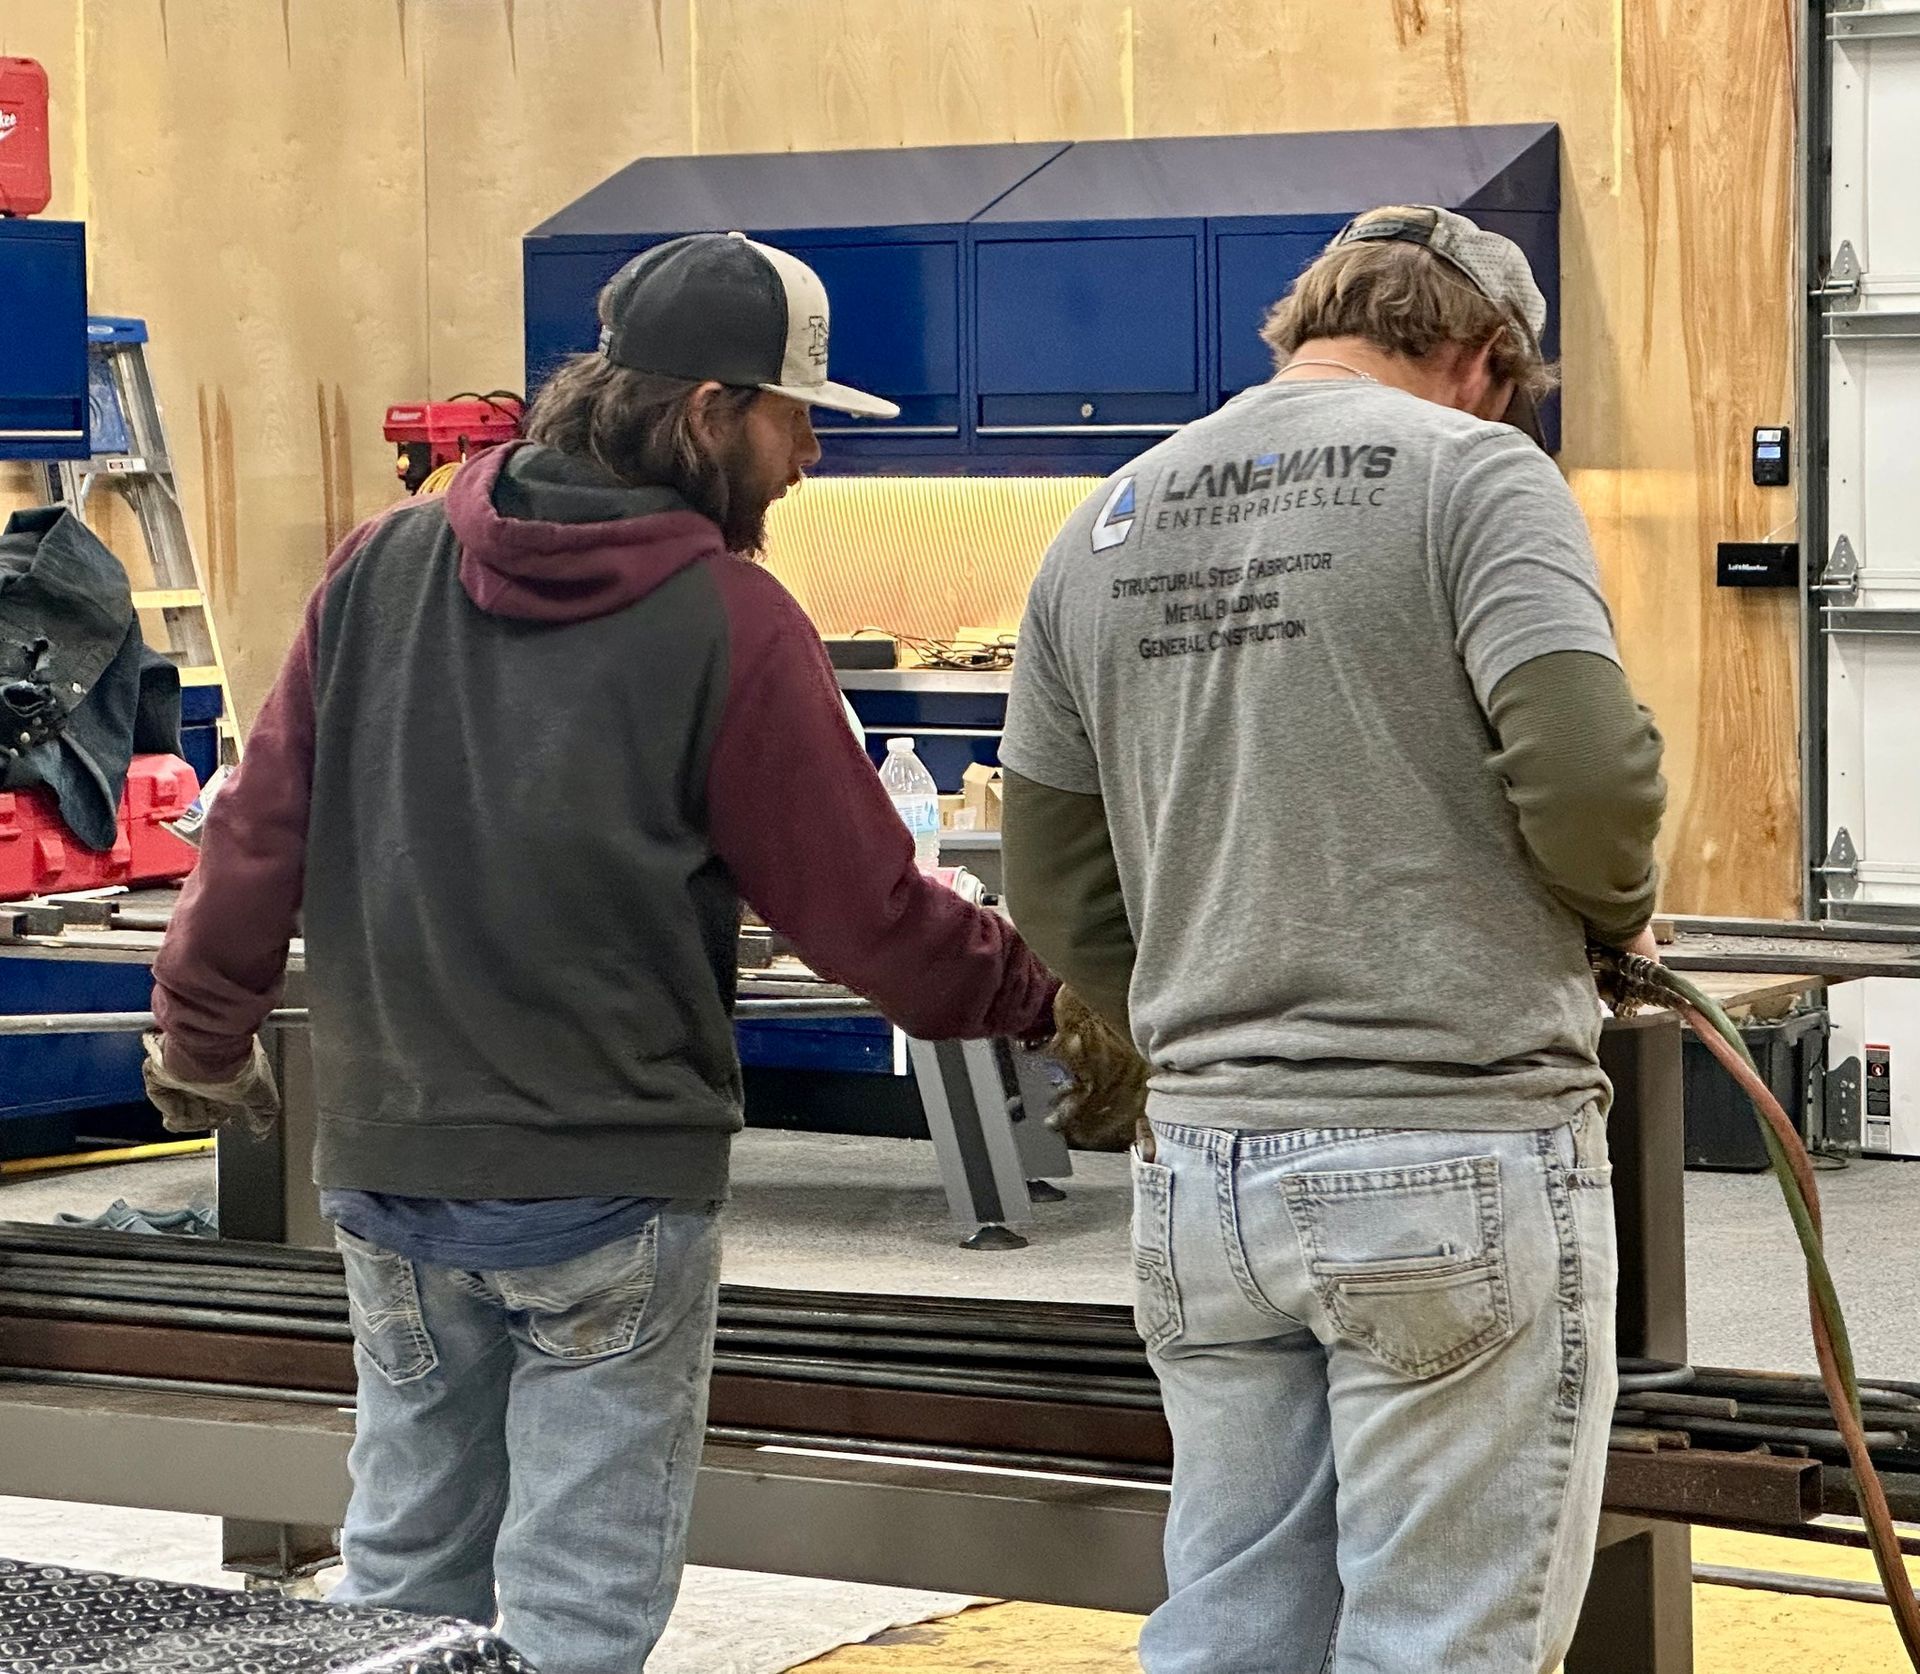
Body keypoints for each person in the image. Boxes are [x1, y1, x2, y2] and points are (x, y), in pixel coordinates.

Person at [144, 231, 1058, 1674]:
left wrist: (200, 1035)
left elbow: (258, 822)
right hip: (608, 1188)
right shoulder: (731, 620)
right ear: (705, 412)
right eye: (793, 413)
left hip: (390, 1167)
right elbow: (867, 913)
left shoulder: (381, 564)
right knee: (578, 1598)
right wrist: (1040, 1001)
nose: (811, 452)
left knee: (399, 1577)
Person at [999, 205, 1666, 1673]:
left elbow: (1048, 878)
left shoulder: (1105, 517)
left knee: (1233, 1630)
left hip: (1205, 1182)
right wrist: (1614, 919)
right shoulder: (1476, 475)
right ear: (1488, 358)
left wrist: (1200, 1010)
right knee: (1438, 1642)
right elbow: (1590, 776)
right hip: (1450, 1148)